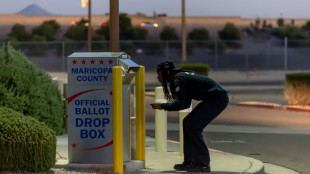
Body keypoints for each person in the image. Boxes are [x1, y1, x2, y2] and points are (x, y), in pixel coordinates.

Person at [150, 60, 229, 172]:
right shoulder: (180, 77)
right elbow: (185, 104)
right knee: (188, 123)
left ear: (165, 73)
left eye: (158, 74)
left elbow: (179, 104)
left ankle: (203, 164)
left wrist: (162, 106)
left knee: (193, 126)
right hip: (215, 98)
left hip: (217, 99)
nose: (157, 77)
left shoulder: (178, 80)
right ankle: (189, 162)